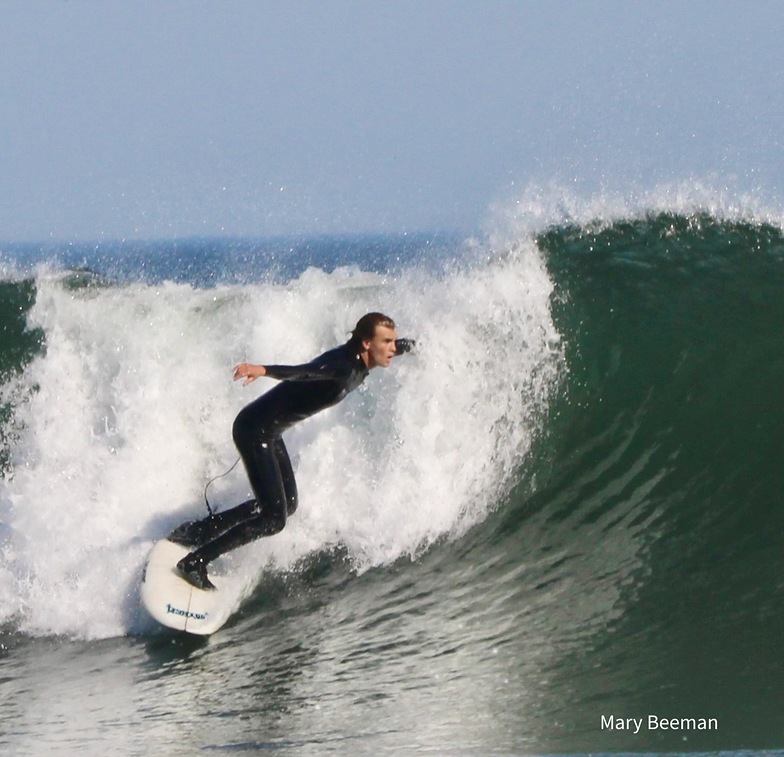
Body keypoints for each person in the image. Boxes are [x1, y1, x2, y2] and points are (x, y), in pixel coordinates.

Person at [171, 312, 415, 590]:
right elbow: (305, 371)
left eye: (395, 341)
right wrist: (264, 369)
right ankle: (196, 561)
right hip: (254, 430)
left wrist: (418, 345)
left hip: (269, 432)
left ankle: (199, 530)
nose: (393, 348)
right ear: (367, 343)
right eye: (388, 342)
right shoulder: (342, 365)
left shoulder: (364, 359)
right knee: (274, 519)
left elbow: (400, 347)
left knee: (286, 504)